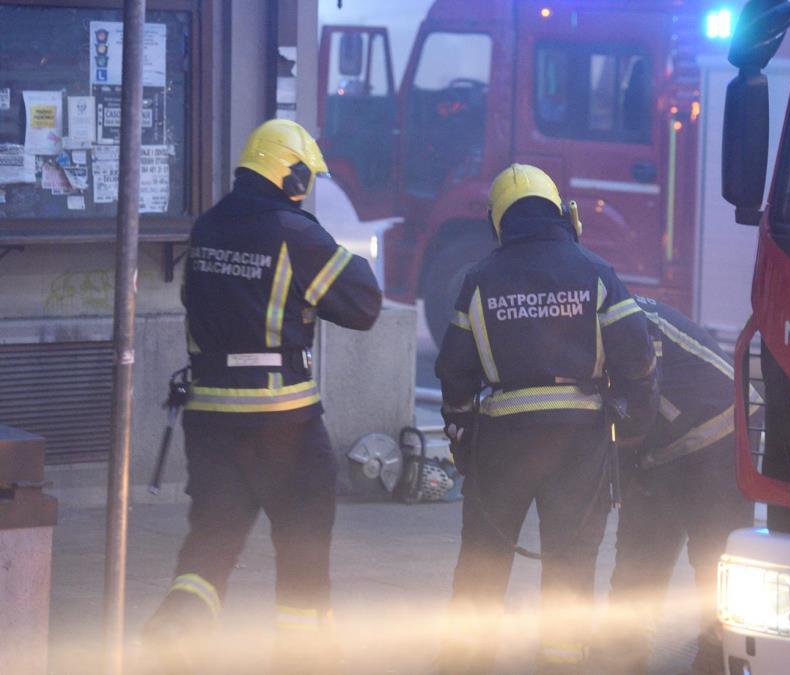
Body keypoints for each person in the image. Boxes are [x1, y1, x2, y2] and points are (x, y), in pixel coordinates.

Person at [142, 119, 382, 672]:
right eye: (305, 177)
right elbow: (364, 304)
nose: (306, 187)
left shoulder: (206, 227)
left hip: (210, 417)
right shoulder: (294, 232)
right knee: (302, 547)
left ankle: (177, 628)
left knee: (212, 542)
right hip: (284, 424)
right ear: (289, 173)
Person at [435, 164, 657, 674]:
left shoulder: (479, 279)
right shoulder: (595, 272)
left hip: (501, 443)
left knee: (484, 559)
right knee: (571, 562)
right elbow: (638, 356)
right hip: (579, 444)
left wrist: (462, 439)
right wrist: (633, 422)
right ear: (562, 213)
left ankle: (465, 663)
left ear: (498, 221)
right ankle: (560, 662)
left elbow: (455, 370)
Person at [597, 296, 758, 675]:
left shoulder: (626, 322)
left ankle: (715, 656)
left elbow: (638, 406)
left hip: (721, 431)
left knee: (715, 559)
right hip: (664, 444)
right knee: (642, 553)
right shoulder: (600, 312)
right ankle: (626, 653)